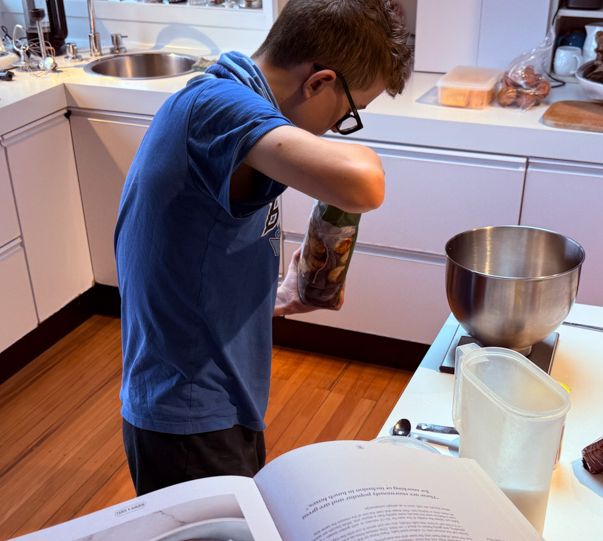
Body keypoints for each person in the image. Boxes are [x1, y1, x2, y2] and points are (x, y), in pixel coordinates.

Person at [114, 0, 413, 495]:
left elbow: (194, 257)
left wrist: (277, 294)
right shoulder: (216, 108)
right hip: (188, 412)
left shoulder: (235, 101)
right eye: (346, 115)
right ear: (319, 82)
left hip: (221, 394)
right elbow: (365, 182)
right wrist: (352, 155)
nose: (335, 130)